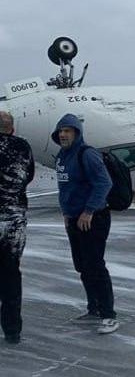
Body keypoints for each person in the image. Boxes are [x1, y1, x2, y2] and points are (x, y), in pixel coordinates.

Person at [52, 114, 119, 334]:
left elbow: (104, 183)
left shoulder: (87, 154)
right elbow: (66, 188)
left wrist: (89, 211)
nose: (63, 135)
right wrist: (66, 213)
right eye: (61, 131)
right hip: (73, 218)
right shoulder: (62, 156)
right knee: (82, 266)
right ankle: (94, 309)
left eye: (68, 131)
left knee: (95, 265)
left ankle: (109, 315)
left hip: (93, 219)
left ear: (77, 133)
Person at [0, 111, 34, 344]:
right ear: (12, 128)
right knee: (11, 274)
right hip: (13, 219)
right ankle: (12, 330)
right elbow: (28, 175)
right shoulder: (22, 146)